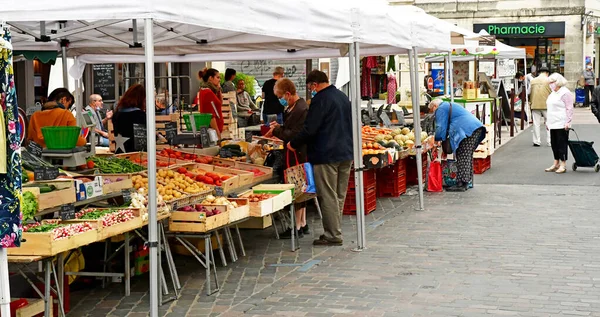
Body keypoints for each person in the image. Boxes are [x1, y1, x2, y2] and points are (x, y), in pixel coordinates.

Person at [288, 70, 353, 246]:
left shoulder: (320, 100)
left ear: (314, 84)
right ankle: (335, 230)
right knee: (338, 195)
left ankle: (333, 234)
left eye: (310, 87)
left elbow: (310, 129)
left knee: (328, 195)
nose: (311, 91)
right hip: (346, 152)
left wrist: (293, 143)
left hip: (327, 154)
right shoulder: (341, 96)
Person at [265, 78, 309, 238]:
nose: (280, 100)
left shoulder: (300, 109)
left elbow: (293, 134)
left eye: (280, 96)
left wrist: (277, 130)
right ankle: (302, 223)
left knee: (297, 189)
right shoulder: (295, 107)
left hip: (296, 154)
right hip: (295, 153)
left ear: (288, 94)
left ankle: (297, 227)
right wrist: (280, 128)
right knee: (300, 189)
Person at [430, 99, 486, 192]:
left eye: (433, 110)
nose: (434, 113)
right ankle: (467, 181)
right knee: (466, 155)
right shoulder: (448, 105)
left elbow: (440, 127)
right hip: (474, 128)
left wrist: (436, 141)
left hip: (468, 130)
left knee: (463, 154)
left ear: (434, 106)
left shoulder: (441, 108)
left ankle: (461, 183)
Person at [545, 73, 574, 174]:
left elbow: (569, 108)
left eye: (552, 82)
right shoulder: (553, 93)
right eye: (550, 83)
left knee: (562, 143)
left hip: (562, 122)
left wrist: (568, 121)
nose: (551, 84)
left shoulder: (565, 93)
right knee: (554, 144)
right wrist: (548, 122)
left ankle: (563, 164)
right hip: (552, 122)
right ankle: (556, 162)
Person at [111, 84, 147, 153]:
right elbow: (143, 137)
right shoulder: (139, 115)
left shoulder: (117, 113)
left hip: (120, 152)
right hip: (136, 155)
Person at [197, 68, 224, 139]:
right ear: (210, 78)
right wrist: (218, 134)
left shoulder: (210, 91)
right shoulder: (207, 92)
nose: (219, 80)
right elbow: (210, 116)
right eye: (217, 77)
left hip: (213, 132)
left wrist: (218, 90)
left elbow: (220, 103)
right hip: (212, 133)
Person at [529, 66, 552, 147]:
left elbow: (529, 92)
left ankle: (536, 141)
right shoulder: (549, 81)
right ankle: (550, 141)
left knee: (536, 123)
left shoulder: (533, 81)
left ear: (539, 72)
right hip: (547, 104)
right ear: (547, 73)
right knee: (549, 123)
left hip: (535, 104)